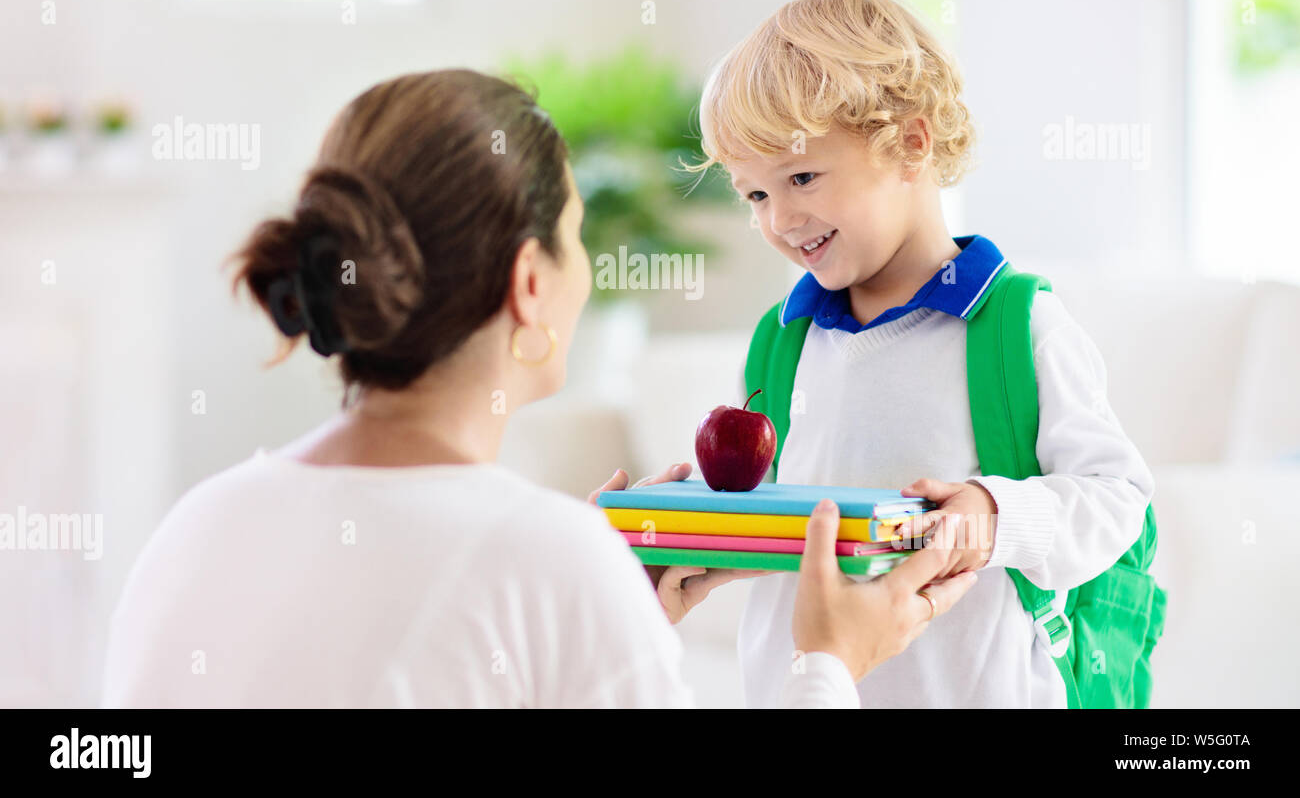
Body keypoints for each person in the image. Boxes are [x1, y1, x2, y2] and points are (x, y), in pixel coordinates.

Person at [99, 69, 975, 708]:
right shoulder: (553, 558)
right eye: (576, 235)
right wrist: (827, 664)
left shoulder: (196, 525)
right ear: (529, 283)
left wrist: (600, 629)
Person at [689, 0, 1156, 708]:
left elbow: (1117, 502)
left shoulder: (1013, 327)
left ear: (911, 143)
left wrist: (993, 517)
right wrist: (695, 534)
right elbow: (794, 533)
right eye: (754, 195)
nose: (779, 219)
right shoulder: (783, 340)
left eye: (802, 176)